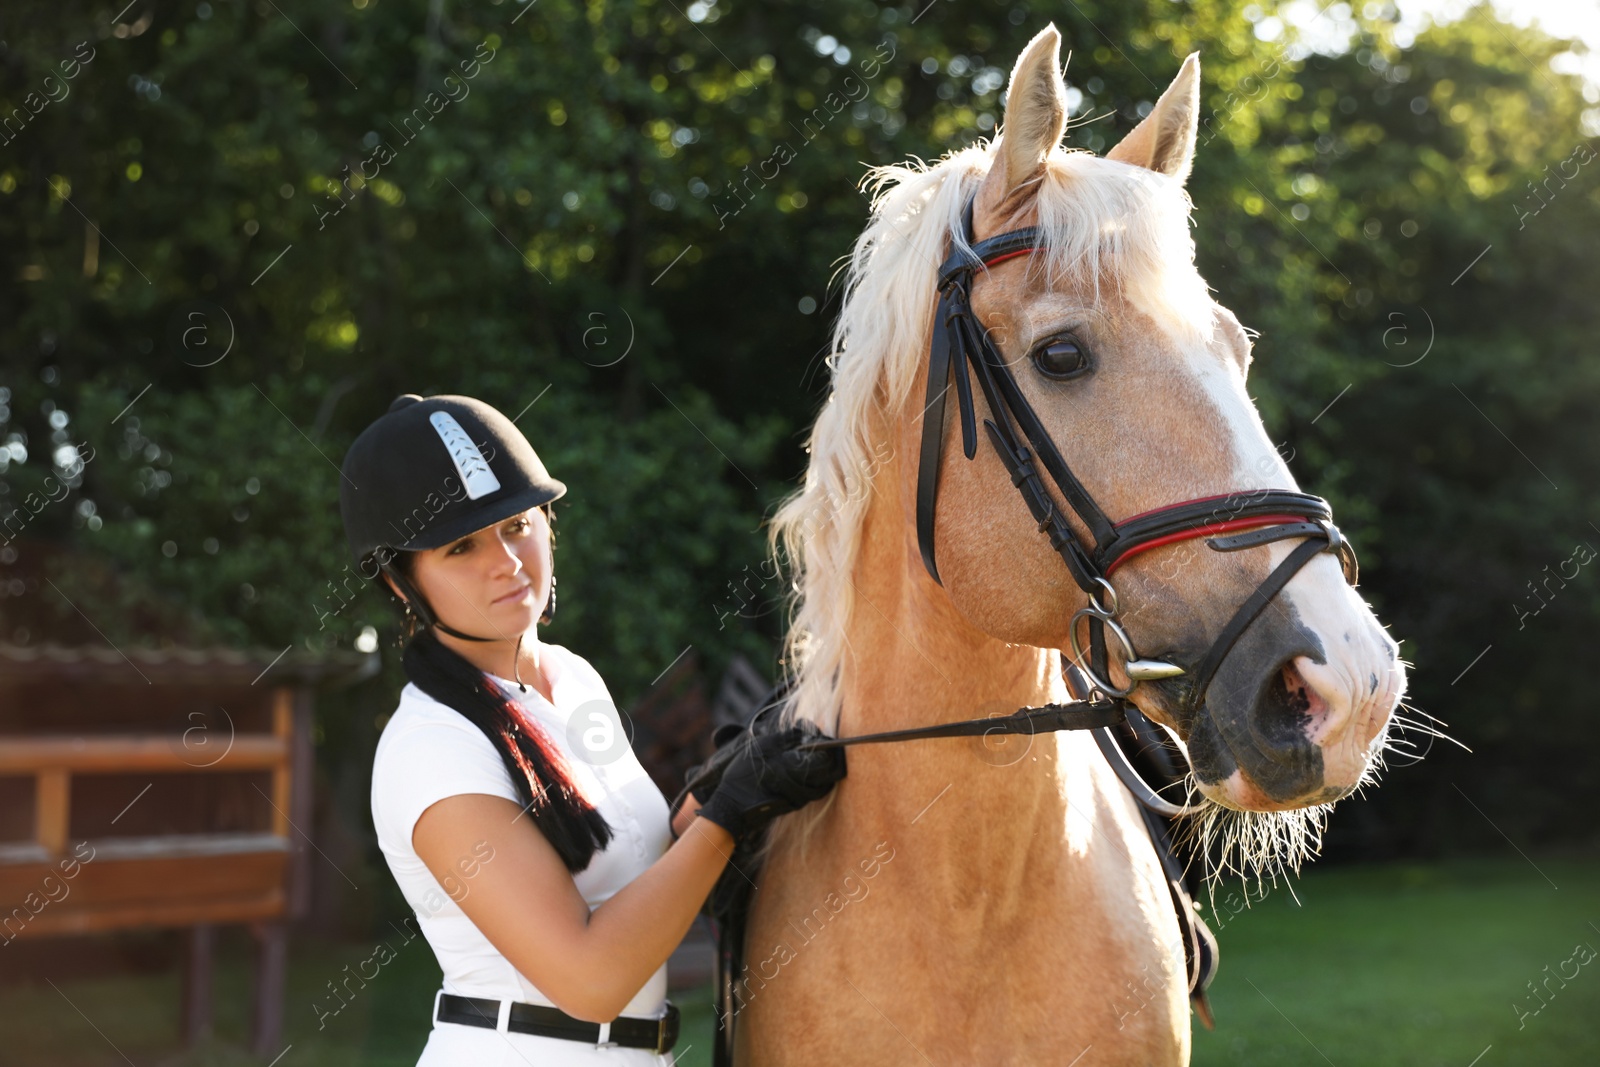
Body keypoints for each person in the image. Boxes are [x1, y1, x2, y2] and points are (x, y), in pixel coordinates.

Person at [340, 393, 844, 1065]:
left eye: (517, 524)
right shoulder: (432, 750)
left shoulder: (571, 678)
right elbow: (590, 979)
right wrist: (726, 815)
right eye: (461, 546)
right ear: (402, 584)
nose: (508, 561)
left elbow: (634, 870)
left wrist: (720, 790)